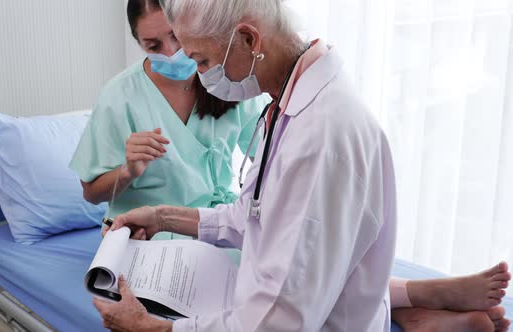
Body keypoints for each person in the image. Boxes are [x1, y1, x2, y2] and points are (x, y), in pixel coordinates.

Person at [87, 1, 511, 331]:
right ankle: (412, 310)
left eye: (201, 60)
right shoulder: (288, 101)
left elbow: (280, 321)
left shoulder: (319, 138)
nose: (197, 74)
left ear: (250, 40)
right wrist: (161, 216)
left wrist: (157, 330)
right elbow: (249, 215)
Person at [69, 0, 271, 241]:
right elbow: (91, 193)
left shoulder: (227, 80)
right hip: (145, 238)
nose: (171, 53)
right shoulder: (119, 97)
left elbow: (269, 160)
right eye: (154, 46)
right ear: (139, 43)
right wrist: (127, 171)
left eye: (176, 36)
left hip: (214, 229)